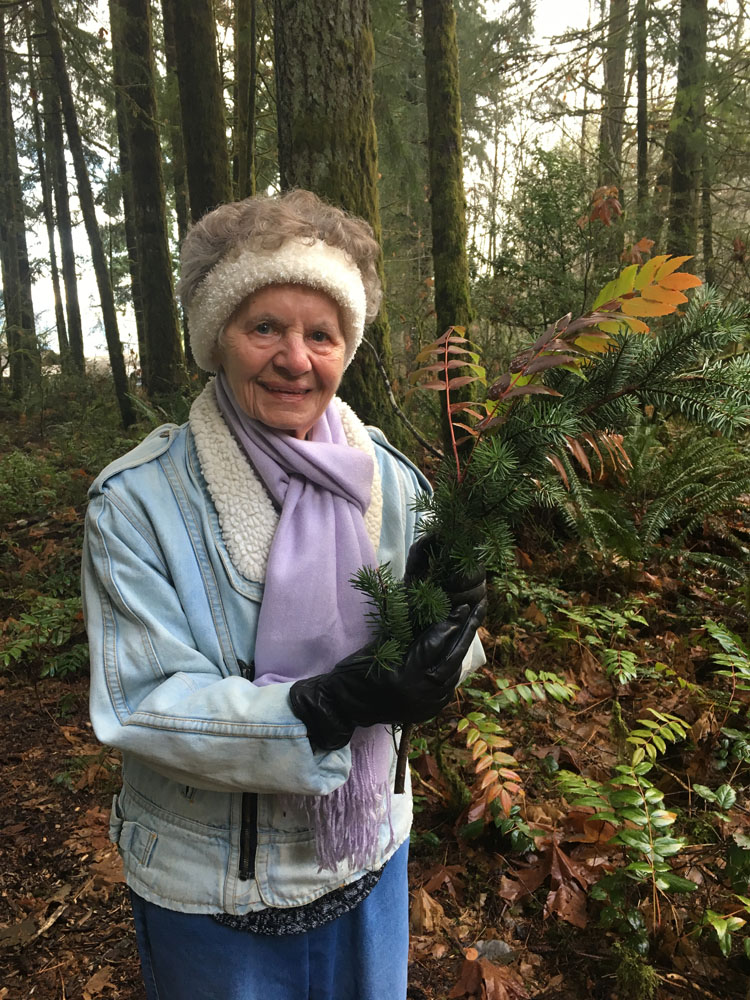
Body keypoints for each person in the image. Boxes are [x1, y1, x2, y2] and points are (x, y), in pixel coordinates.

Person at [82, 189, 486, 1000]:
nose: (294, 358)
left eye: (321, 334)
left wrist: (453, 644)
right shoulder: (138, 502)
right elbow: (140, 700)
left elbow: (435, 662)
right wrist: (322, 707)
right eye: (264, 326)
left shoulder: (393, 482)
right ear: (217, 338)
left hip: (367, 856)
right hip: (213, 893)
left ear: (347, 348)